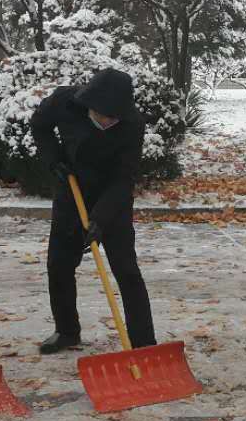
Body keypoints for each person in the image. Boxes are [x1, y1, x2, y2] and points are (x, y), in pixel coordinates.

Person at [30, 68, 156, 354]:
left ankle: (143, 343)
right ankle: (66, 331)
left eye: (114, 118)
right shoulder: (64, 101)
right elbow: (39, 125)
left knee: (126, 269)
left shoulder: (132, 124)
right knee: (59, 265)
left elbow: (124, 178)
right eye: (102, 115)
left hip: (112, 199)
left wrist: (100, 218)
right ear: (89, 104)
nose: (108, 121)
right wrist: (53, 160)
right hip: (71, 192)